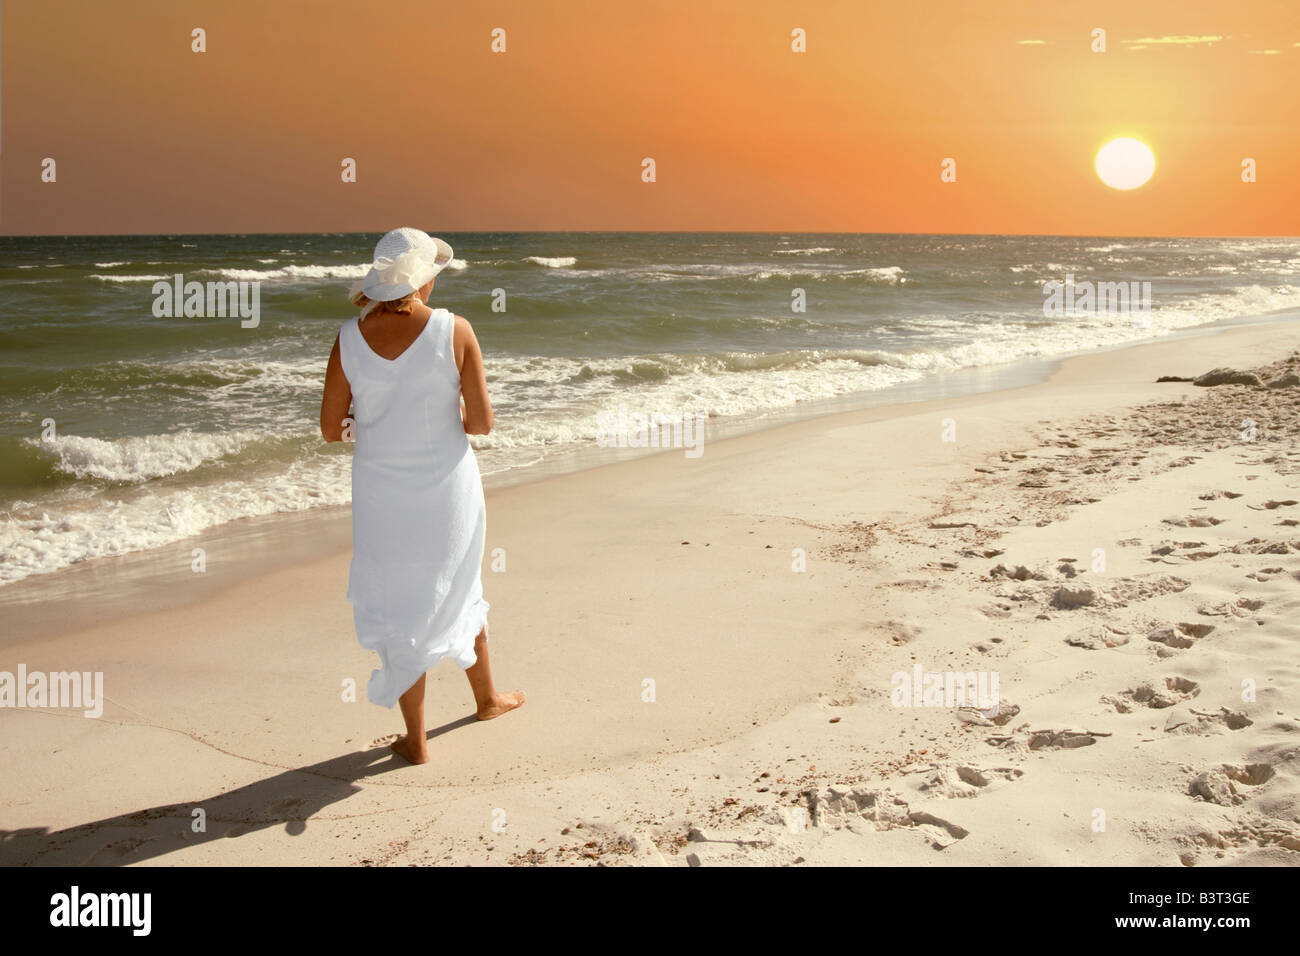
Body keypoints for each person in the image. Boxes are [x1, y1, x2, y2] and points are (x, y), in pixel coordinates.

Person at [319, 227, 523, 764]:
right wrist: (439, 419)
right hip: (448, 490)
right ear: (423, 278)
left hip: (381, 495)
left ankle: (416, 739)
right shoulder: (455, 330)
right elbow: (480, 423)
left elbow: (329, 427)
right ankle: (487, 700)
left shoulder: (347, 336)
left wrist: (379, 424)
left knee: (399, 602)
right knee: (461, 583)